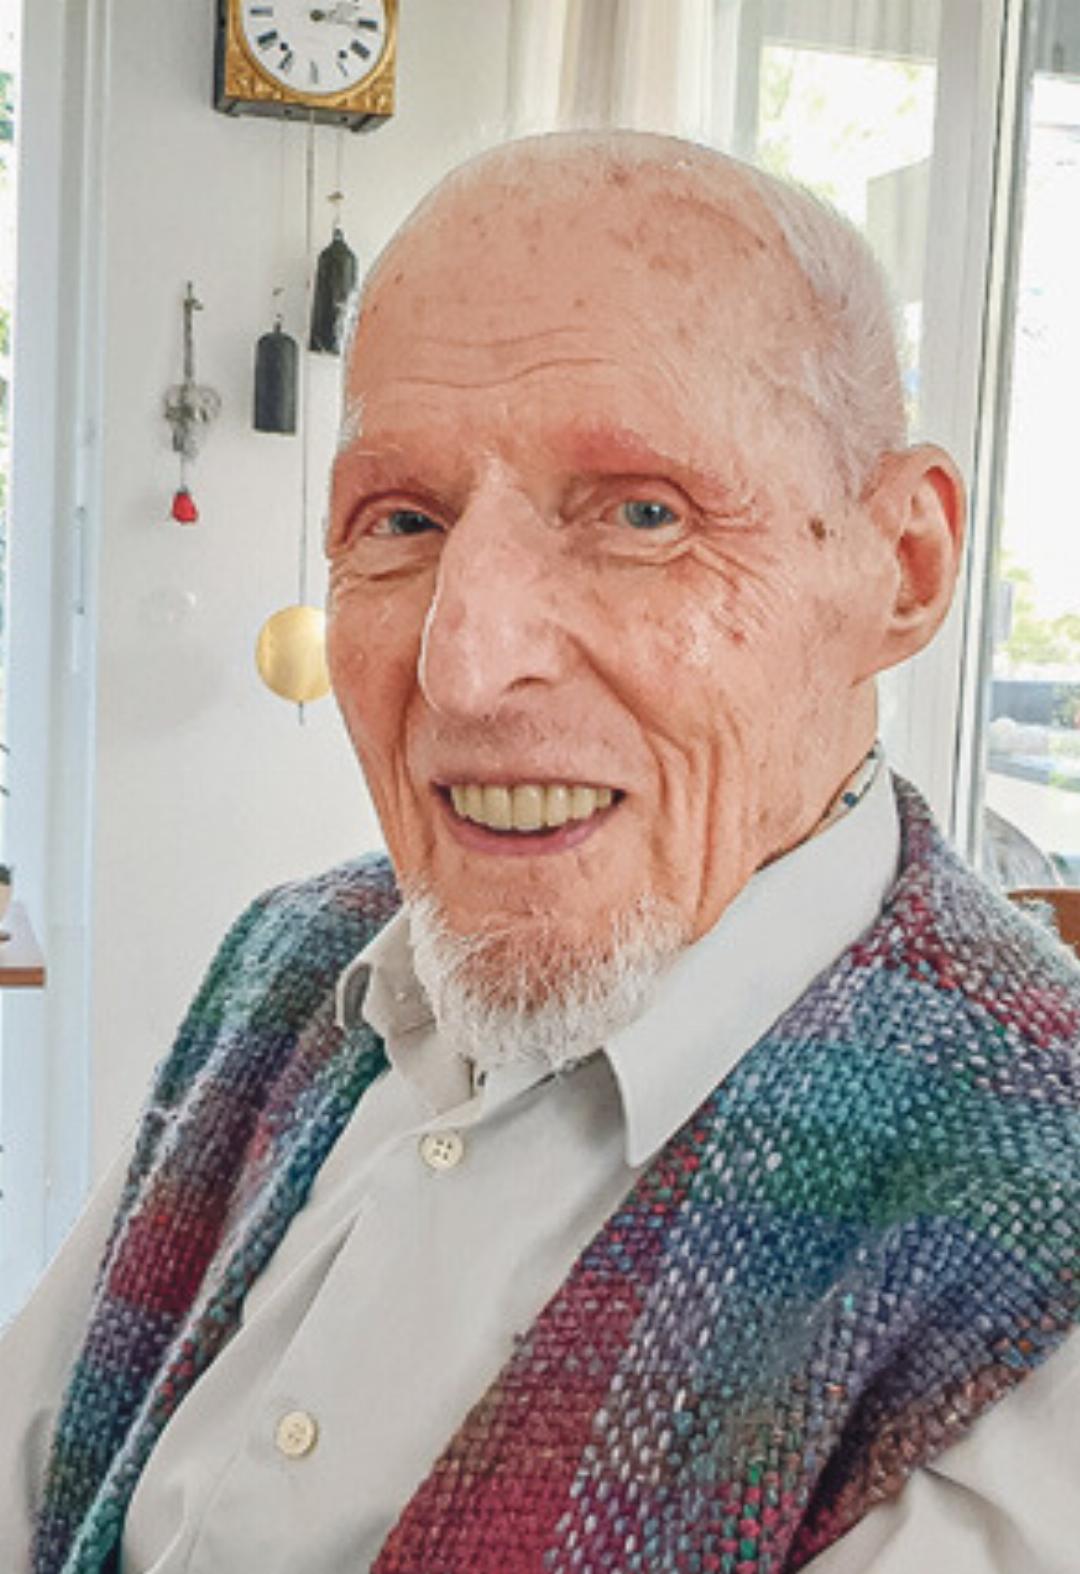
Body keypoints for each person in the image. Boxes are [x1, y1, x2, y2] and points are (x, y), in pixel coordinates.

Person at [3, 131, 1078, 1574]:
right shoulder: (289, 964)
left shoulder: (1038, 1230)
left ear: (905, 566)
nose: (462, 664)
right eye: (403, 520)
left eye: (642, 513)